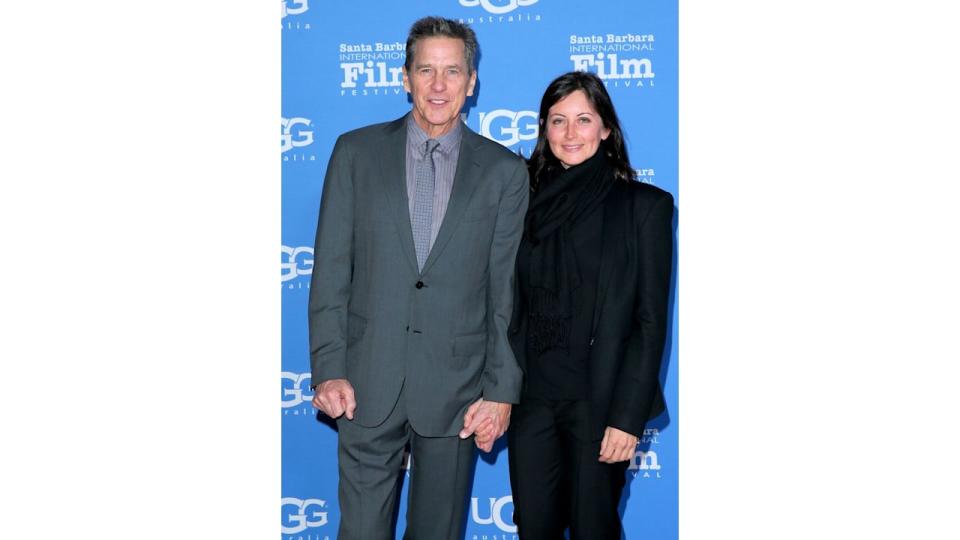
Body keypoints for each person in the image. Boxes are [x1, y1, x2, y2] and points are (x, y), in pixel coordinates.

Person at [307, 16, 528, 540]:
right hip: (364, 383)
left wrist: (500, 392)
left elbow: (506, 294)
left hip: (458, 392)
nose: (437, 85)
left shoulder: (504, 172)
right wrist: (328, 369)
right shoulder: (354, 153)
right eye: (425, 69)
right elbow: (331, 271)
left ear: (472, 81)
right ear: (404, 77)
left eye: (452, 71)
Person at [495, 70, 674, 539]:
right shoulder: (520, 203)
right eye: (558, 121)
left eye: (583, 119)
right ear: (544, 129)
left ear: (606, 129)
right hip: (533, 400)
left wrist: (627, 418)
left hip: (601, 403)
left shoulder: (645, 207)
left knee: (594, 527)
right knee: (534, 527)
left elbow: (650, 322)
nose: (570, 134)